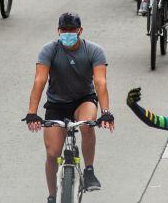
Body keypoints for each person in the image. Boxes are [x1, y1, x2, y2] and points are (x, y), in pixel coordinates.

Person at [23, 13, 114, 203]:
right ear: (58, 31)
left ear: (80, 31)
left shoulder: (94, 51)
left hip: (84, 100)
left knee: (87, 125)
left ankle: (89, 171)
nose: (67, 33)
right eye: (64, 30)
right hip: (56, 105)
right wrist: (32, 113)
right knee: (52, 153)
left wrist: (106, 113)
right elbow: (39, 81)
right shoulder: (49, 50)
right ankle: (52, 195)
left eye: (72, 30)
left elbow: (100, 82)